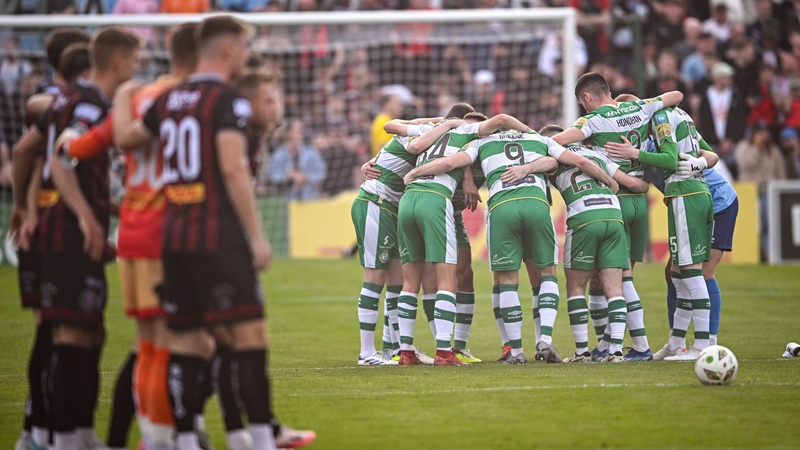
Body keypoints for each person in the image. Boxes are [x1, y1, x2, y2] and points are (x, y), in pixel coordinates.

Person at [115, 15, 314, 450]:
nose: (244, 56)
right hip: (216, 234)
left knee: (187, 343)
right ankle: (261, 439)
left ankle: (185, 439)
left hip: (173, 234)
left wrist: (122, 97)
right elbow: (231, 166)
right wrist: (256, 236)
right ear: (227, 50)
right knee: (248, 338)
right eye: (243, 48)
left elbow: (127, 139)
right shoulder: (227, 100)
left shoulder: (168, 100)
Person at [56, 24, 199, 450]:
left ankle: (156, 436)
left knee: (149, 344)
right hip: (168, 234)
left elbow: (78, 148)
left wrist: (67, 144)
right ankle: (168, 437)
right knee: (183, 343)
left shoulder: (135, 97)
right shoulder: (193, 100)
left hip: (131, 234)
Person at [403, 125, 608, 364]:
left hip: (501, 207)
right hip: (536, 203)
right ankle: (546, 339)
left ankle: (516, 351)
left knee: (506, 279)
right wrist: (608, 182)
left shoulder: (480, 143)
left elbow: (449, 163)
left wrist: (415, 173)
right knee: (547, 275)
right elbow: (560, 162)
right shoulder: (537, 137)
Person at [36, 27, 142, 450]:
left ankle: (75, 432)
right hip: (68, 233)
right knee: (75, 336)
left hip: (59, 227)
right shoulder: (93, 102)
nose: (136, 69)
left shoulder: (67, 97)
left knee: (86, 333)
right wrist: (86, 218)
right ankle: (63, 436)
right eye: (134, 61)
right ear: (118, 62)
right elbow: (63, 154)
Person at [551, 74, 683, 362]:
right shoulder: (640, 107)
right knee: (618, 278)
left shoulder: (593, 121)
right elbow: (676, 96)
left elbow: (557, 141)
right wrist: (646, 115)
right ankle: (608, 344)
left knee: (618, 280)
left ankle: (639, 344)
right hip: (641, 201)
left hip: (615, 198)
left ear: (586, 98)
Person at [394, 108, 535, 366]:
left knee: (411, 280)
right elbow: (501, 120)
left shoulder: (433, 132)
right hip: (436, 200)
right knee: (447, 278)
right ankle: (444, 353)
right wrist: (530, 133)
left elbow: (395, 130)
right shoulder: (471, 134)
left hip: (409, 200)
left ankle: (406, 351)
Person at [10, 27, 91, 450]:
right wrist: (25, 205)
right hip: (55, 225)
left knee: (55, 329)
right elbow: (27, 144)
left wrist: (23, 203)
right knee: (57, 330)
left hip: (43, 219)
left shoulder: (55, 101)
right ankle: (41, 427)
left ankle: (39, 427)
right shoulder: (65, 101)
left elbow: (25, 149)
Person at [351, 115, 463, 366]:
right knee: (374, 278)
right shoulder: (426, 133)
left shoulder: (433, 136)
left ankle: (395, 347)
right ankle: (366, 352)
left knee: (397, 281)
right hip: (375, 203)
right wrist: (443, 123)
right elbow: (396, 130)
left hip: (393, 209)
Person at [268, 119, 326, 200]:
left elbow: (321, 173)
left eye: (301, 132)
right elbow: (272, 175)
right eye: (296, 131)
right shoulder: (279, 154)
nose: (299, 135)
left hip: (309, 199)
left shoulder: (311, 153)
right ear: (289, 133)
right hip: (286, 200)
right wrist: (288, 175)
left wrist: (305, 177)